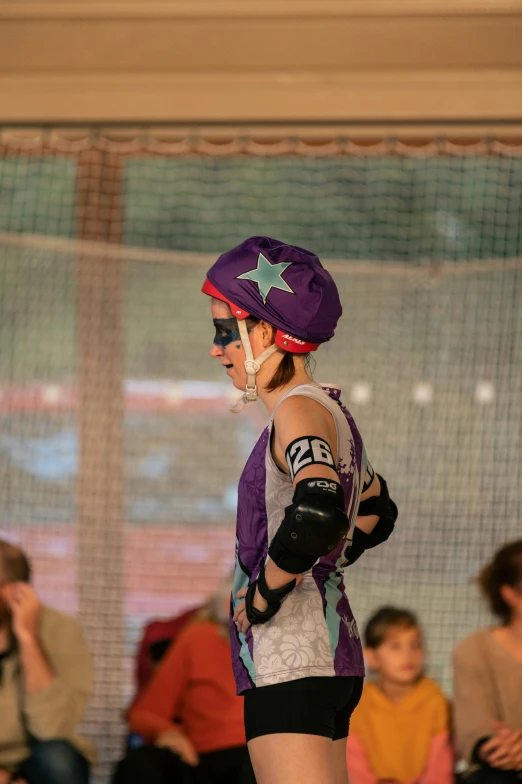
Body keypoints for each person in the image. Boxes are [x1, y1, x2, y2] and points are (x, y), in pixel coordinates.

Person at [201, 236, 398, 784]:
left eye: (225, 332)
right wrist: (318, 566)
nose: (217, 350)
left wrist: (265, 591)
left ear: (264, 332)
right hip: (328, 655)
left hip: (292, 660)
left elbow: (317, 511)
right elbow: (376, 511)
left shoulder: (296, 413)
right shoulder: (330, 410)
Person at [117, 574, 256, 784]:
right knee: (139, 764)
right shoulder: (198, 638)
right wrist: (167, 733)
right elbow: (145, 713)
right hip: (202, 759)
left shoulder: (294, 650)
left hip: (265, 754)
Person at [0, 539, 95, 784]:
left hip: (38, 759)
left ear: (12, 592)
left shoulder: (61, 630)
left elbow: (51, 728)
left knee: (57, 757)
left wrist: (28, 639)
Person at [346, 606, 454, 784]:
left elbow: (440, 768)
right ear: (372, 657)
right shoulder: (359, 704)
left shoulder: (435, 700)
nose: (408, 655)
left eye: (415, 645)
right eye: (395, 646)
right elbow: (355, 766)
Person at [453, 540, 522, 783]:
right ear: (510, 594)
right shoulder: (473, 650)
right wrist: (504, 749)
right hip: (496, 772)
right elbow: (474, 729)